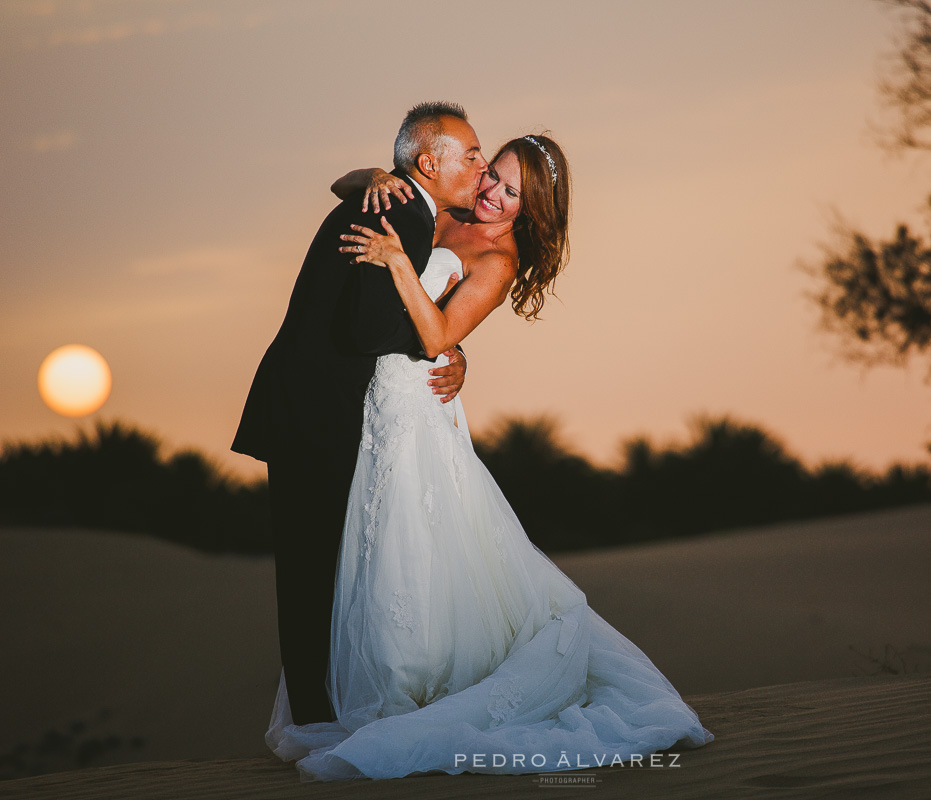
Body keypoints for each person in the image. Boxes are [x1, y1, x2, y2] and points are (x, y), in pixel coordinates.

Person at [265, 133, 713, 780]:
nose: (494, 195)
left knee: (411, 543)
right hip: (372, 401)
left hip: (416, 408)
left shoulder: (498, 258)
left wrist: (398, 266)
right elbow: (358, 194)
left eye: (512, 193)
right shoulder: (445, 210)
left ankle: (408, 689)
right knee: (369, 547)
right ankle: (369, 685)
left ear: (532, 211)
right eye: (493, 177)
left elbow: (440, 332)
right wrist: (369, 175)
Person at [231, 102, 484, 725]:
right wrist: (438, 345)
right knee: (313, 568)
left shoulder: (397, 203)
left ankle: (321, 714)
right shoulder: (403, 212)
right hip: (317, 410)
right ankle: (317, 722)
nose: (480, 166)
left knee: (312, 566)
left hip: (308, 404)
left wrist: (451, 345)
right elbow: (370, 326)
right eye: (471, 155)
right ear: (429, 162)